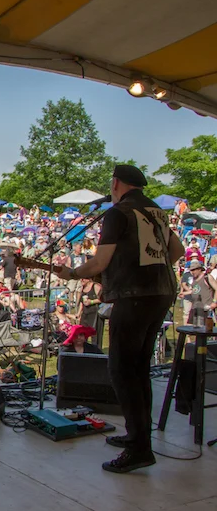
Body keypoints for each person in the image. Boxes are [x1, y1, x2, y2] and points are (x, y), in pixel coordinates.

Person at [56, 164, 184, 474]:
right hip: (162, 293)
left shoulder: (118, 213)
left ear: (115, 184)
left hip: (134, 296)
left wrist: (72, 273)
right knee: (139, 367)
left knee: (122, 369)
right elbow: (177, 251)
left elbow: (99, 262)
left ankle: (140, 449)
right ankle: (138, 435)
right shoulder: (156, 211)